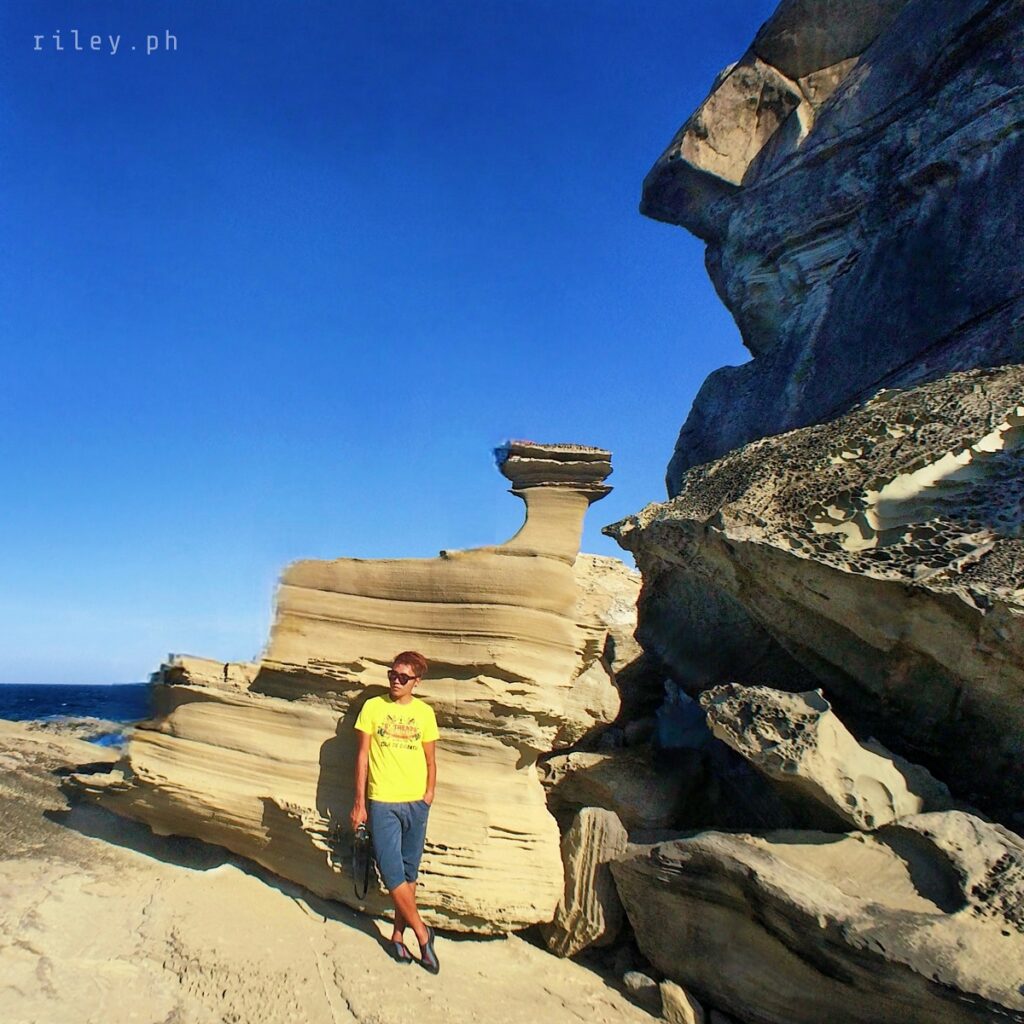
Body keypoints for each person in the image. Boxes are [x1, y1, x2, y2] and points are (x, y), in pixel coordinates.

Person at [350, 651, 440, 973]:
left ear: (417, 682)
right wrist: (360, 804)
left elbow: (430, 759)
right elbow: (361, 757)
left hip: (416, 803)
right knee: (392, 874)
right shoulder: (373, 708)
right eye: (392, 674)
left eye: (403, 677)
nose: (396, 681)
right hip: (383, 802)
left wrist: (428, 794)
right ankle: (422, 932)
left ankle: (398, 935)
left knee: (408, 873)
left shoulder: (425, 713)